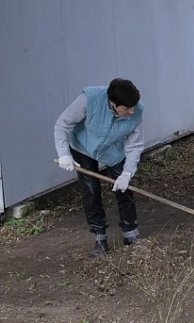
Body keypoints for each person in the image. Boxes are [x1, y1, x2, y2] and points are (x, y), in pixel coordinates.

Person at [54, 78, 144, 258]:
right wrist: (64, 153)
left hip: (112, 150)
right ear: (113, 103)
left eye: (133, 107)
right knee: (91, 191)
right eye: (126, 109)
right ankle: (100, 236)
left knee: (124, 188)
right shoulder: (89, 99)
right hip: (83, 146)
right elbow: (62, 125)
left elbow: (134, 145)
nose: (131, 111)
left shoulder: (136, 110)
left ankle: (130, 231)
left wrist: (127, 173)